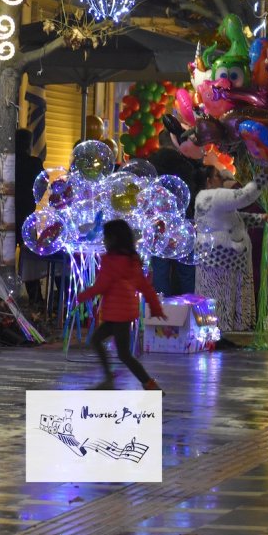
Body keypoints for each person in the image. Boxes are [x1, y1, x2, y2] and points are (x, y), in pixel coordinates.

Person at [76, 220, 167, 391]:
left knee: (121, 353)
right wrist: (156, 308)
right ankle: (123, 381)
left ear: (113, 239)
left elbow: (101, 286)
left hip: (116, 315)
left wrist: (81, 296)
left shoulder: (111, 261)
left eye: (105, 237)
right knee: (110, 347)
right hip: (124, 314)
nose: (103, 241)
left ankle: (147, 384)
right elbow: (145, 287)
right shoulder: (132, 261)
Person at [194, 167, 267, 332]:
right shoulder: (215, 196)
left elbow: (234, 218)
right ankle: (222, 329)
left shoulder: (204, 197)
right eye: (218, 176)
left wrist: (260, 219)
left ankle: (217, 326)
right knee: (221, 296)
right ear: (209, 181)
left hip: (215, 257)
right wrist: (265, 176)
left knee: (214, 294)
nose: (223, 179)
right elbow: (245, 196)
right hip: (223, 259)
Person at [147, 146, 199, 296]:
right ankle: (189, 306)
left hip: (161, 227)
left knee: (160, 267)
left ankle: (163, 307)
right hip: (184, 226)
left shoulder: (158, 182)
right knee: (186, 271)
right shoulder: (184, 179)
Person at [14, 129, 47, 309]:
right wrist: (34, 198)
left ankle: (9, 292)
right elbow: (42, 184)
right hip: (26, 213)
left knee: (9, 253)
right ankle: (34, 296)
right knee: (29, 256)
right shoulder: (33, 164)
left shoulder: (10, 162)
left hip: (9, 213)